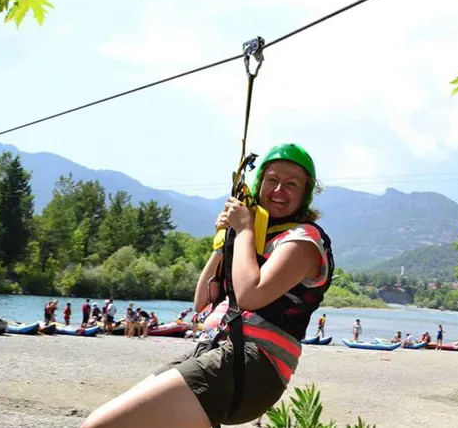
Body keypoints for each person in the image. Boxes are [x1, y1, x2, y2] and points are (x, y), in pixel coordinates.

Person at [82, 143, 334, 428]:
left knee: (100, 425)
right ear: (259, 183)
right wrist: (224, 241)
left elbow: (251, 296)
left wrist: (244, 230)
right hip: (214, 349)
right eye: (272, 180)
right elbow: (202, 299)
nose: (279, 191)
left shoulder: (303, 239)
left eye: (292, 184)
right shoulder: (254, 241)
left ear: (306, 194)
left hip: (252, 363)